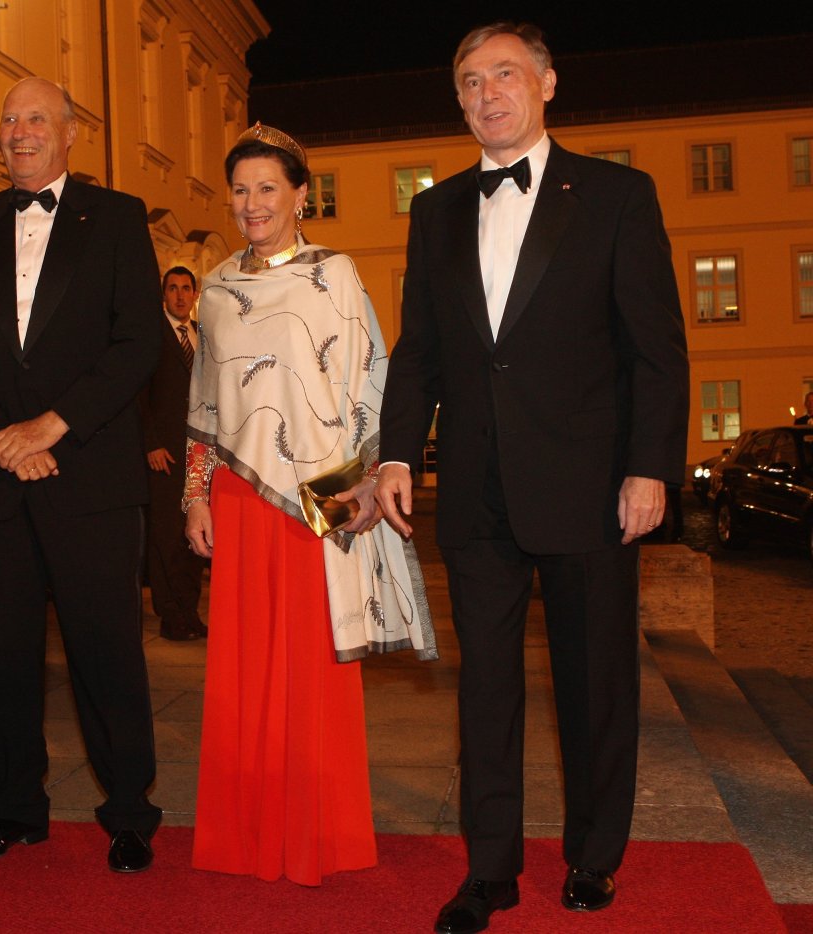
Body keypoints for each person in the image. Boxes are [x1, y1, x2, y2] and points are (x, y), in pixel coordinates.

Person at [375, 23, 689, 933]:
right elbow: (420, 352)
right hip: (475, 492)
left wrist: (648, 468)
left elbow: (656, 351)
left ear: (547, 83)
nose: (487, 93)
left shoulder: (619, 196)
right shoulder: (433, 213)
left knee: (596, 688)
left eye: (504, 74)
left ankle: (594, 857)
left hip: (593, 487)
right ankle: (491, 871)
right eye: (470, 81)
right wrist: (398, 452)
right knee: (486, 693)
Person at [0, 77, 163, 874]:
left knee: (107, 654)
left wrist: (53, 425)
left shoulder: (118, 218)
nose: (19, 132)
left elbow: (138, 343)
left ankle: (129, 810)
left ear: (70, 133)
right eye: (9, 119)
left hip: (87, 474)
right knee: (4, 658)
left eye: (35, 119)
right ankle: (13, 810)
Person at [184, 123, 436, 887]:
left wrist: (359, 487)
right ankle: (244, 836)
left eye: (269, 188)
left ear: (301, 195)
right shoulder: (218, 285)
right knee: (241, 668)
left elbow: (370, 384)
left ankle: (317, 837)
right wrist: (194, 494)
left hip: (315, 500)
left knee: (311, 666)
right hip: (237, 494)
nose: (253, 204)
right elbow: (203, 398)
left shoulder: (337, 276)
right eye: (241, 190)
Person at [140, 265, 207, 641]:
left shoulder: (201, 336)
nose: (180, 295)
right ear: (163, 295)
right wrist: (150, 442)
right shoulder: (151, 336)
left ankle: (189, 612)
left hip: (197, 454)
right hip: (163, 453)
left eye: (186, 288)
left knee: (195, 536)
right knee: (166, 536)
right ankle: (169, 615)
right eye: (173, 289)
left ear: (195, 294)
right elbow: (140, 395)